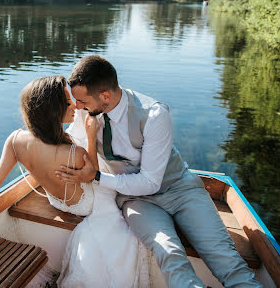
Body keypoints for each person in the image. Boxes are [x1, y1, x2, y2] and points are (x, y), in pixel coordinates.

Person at [0, 75, 148, 287]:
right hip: (84, 203)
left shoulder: (15, 140)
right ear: (53, 111)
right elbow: (93, 177)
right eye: (68, 103)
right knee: (118, 187)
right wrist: (90, 136)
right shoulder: (74, 153)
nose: (75, 107)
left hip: (56, 200)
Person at [56, 55, 262, 288]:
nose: (78, 106)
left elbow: (150, 182)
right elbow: (66, 140)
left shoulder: (154, 114)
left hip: (180, 189)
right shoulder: (87, 112)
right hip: (137, 201)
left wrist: (97, 177)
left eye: (82, 101)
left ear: (105, 96)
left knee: (226, 261)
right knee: (171, 256)